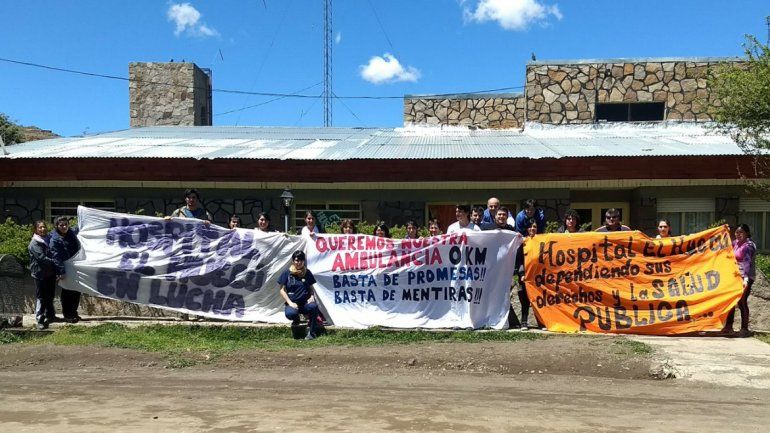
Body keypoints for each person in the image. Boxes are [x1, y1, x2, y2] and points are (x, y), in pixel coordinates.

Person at [722, 224, 756, 337]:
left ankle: (744, 328)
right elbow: (726, 251)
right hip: (735, 276)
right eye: (737, 232)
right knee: (731, 300)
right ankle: (728, 326)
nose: (738, 234)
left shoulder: (749, 246)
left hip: (746, 277)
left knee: (741, 301)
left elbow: (747, 262)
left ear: (747, 233)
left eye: (741, 232)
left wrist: (745, 278)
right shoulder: (735, 243)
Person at [278, 251, 320, 340]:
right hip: (293, 303)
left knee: (314, 307)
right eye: (297, 260)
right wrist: (290, 303)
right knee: (290, 314)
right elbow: (282, 290)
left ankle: (311, 333)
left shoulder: (307, 273)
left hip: (305, 303)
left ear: (304, 261)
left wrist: (312, 296)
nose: (299, 262)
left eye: (301, 260)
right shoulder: (286, 273)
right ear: (293, 261)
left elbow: (311, 287)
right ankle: (296, 319)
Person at [28, 220, 59, 330]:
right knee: (41, 297)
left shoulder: (48, 239)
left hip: (50, 273)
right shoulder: (34, 243)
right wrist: (57, 262)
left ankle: (50, 315)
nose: (43, 229)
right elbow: (41, 258)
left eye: (44, 227)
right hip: (40, 274)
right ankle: (40, 320)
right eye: (40, 227)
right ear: (36, 229)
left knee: (50, 296)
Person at [50, 216, 82, 323]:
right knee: (67, 291)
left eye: (66, 224)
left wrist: (85, 217)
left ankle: (74, 312)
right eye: (61, 225)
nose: (64, 227)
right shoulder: (55, 239)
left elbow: (80, 227)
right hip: (64, 268)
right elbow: (56, 257)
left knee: (76, 290)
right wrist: (61, 272)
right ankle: (67, 314)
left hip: (75, 266)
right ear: (56, 226)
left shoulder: (71, 232)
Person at [516, 222, 545, 331]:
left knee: (539, 300)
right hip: (525, 276)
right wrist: (522, 274)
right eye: (530, 226)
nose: (532, 228)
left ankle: (541, 322)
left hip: (538, 277)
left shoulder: (542, 241)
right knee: (525, 300)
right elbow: (519, 260)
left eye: (535, 226)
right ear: (526, 229)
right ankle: (524, 322)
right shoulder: (523, 242)